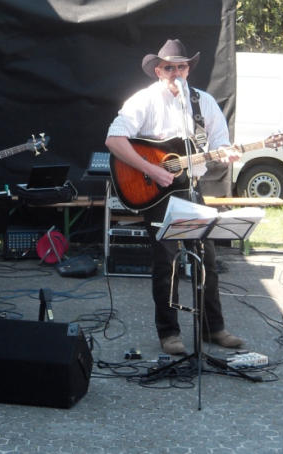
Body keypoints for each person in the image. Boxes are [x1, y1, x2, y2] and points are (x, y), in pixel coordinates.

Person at [105, 39, 243, 355]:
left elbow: (219, 144)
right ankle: (169, 333)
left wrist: (226, 154)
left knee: (207, 259)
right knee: (165, 262)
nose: (176, 73)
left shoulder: (203, 102)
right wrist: (151, 170)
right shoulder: (144, 100)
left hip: (191, 188)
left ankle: (213, 328)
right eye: (169, 68)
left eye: (181, 67)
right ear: (158, 71)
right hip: (157, 192)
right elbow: (114, 140)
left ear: (188, 69)